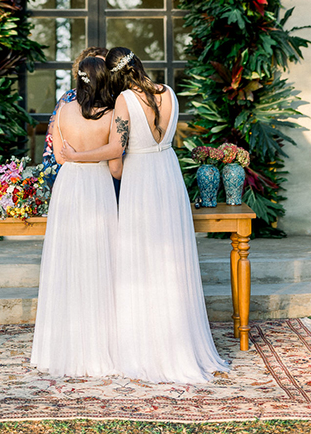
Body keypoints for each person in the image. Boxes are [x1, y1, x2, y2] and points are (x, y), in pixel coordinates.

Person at [60, 47, 228, 384]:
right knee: (172, 262)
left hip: (141, 182)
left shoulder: (123, 100)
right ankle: (177, 343)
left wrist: (78, 157)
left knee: (140, 264)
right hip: (168, 176)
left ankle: (144, 350)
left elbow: (115, 152)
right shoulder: (169, 92)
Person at [31, 55, 119, 377]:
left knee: (67, 260)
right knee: (100, 259)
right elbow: (114, 163)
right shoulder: (110, 115)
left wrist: (74, 156)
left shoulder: (63, 111)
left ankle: (59, 345)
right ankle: (102, 343)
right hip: (97, 184)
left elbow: (58, 155)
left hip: (68, 186)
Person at [41, 46, 108, 188]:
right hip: (72, 173)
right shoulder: (68, 99)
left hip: (106, 173)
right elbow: (52, 141)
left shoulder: (115, 99)